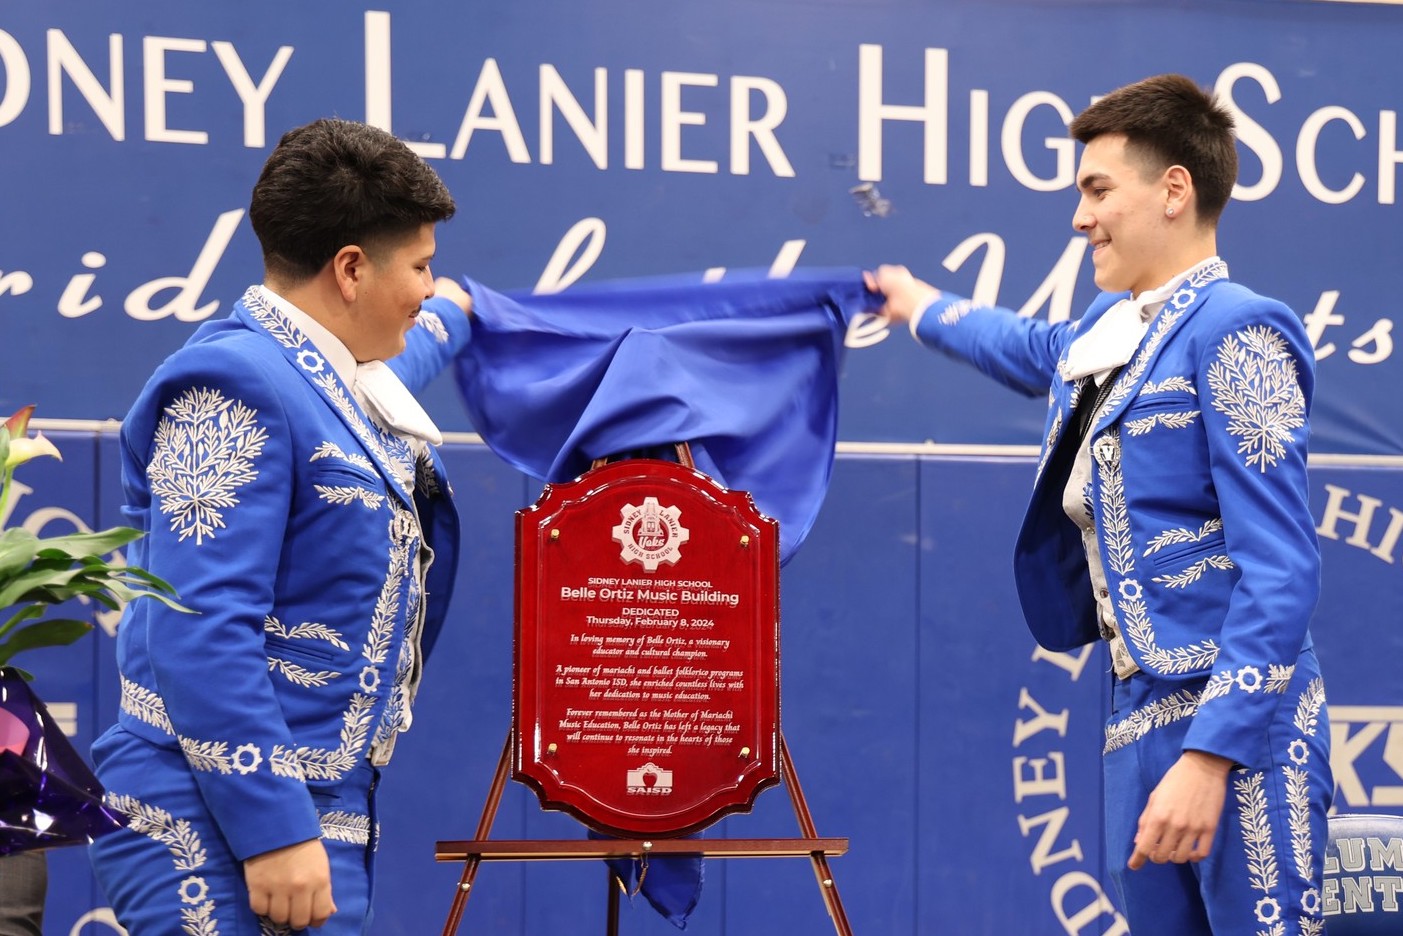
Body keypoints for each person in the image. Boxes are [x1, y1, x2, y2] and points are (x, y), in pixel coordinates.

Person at [870, 74, 1331, 935]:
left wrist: (1210, 753)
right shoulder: (1110, 328)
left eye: (1095, 190)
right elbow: (1027, 347)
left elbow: (1281, 569)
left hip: (1235, 729)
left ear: (1172, 190)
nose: (1080, 217)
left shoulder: (1240, 328)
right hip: (1131, 717)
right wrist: (919, 306)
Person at [89, 118, 474, 933]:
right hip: (215, 814)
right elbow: (198, 626)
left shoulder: (317, 373)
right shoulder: (230, 381)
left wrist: (459, 319)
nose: (428, 289)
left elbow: (387, 373)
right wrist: (274, 832)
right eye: (422, 268)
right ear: (349, 270)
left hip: (311, 815)